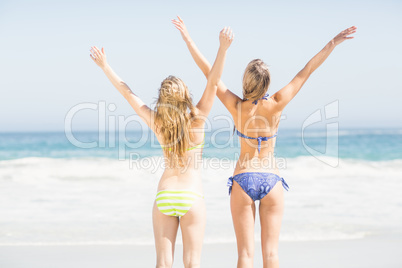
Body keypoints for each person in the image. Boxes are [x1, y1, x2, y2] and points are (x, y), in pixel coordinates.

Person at [172, 16, 356, 268]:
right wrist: (331, 43)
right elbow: (307, 70)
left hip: (243, 178)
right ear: (267, 83)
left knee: (245, 255)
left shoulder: (236, 106)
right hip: (271, 179)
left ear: (246, 81)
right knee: (271, 255)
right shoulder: (278, 102)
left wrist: (188, 38)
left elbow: (209, 73)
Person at [89, 26, 234, 268]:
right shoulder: (197, 121)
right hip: (191, 196)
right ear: (185, 95)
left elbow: (128, 94)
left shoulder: (157, 123)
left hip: (164, 196)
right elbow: (213, 82)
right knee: (192, 263)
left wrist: (105, 66)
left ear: (162, 98)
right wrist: (223, 48)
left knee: (163, 263)